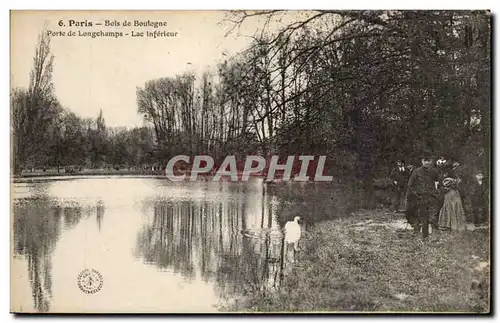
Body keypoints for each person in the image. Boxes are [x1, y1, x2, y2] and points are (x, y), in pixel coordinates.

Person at [406, 154, 440, 239]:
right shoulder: (416, 171)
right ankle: (425, 236)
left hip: (431, 197)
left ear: (431, 161)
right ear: (422, 161)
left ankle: (433, 235)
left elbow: (438, 183)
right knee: (423, 216)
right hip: (420, 198)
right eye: (425, 160)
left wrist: (436, 193)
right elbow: (410, 184)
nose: (427, 162)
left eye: (428, 160)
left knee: (433, 217)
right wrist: (416, 194)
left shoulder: (434, 172)